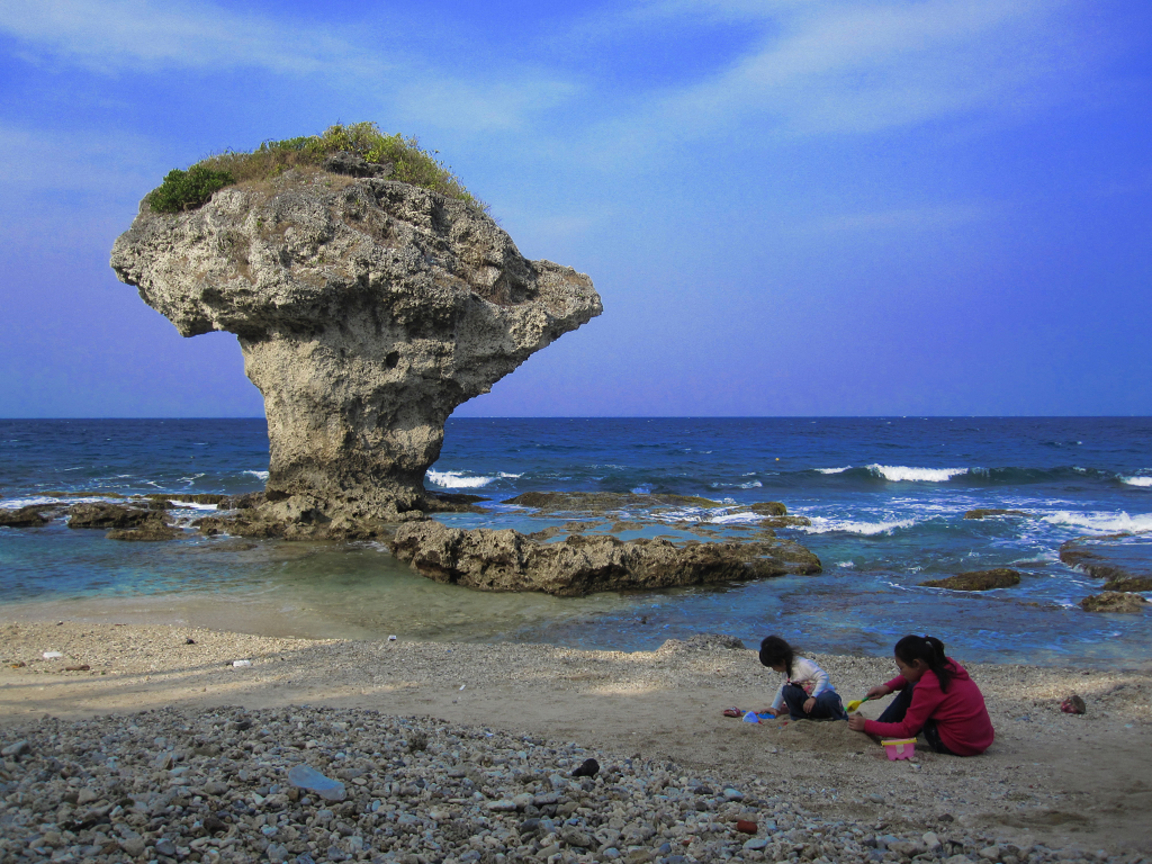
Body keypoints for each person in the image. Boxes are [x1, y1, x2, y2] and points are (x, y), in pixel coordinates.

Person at [847, 634, 994, 756]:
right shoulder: (948, 665)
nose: (901, 672)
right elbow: (911, 676)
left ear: (917, 664)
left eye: (902, 668)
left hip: (958, 746)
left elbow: (906, 730)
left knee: (914, 690)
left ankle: (881, 727)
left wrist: (867, 725)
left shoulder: (926, 687)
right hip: (980, 740)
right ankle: (883, 725)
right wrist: (887, 687)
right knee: (913, 685)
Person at [759, 635, 848, 721]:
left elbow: (823, 676)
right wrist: (775, 707)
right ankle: (799, 718)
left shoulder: (803, 665)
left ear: (782, 661)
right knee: (787, 690)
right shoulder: (787, 670)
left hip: (821, 701)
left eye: (773, 666)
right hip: (808, 706)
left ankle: (840, 718)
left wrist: (814, 697)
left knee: (829, 698)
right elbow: (782, 688)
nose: (773, 669)